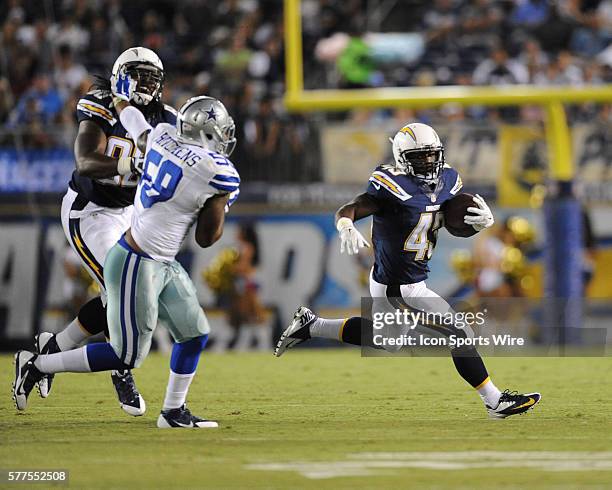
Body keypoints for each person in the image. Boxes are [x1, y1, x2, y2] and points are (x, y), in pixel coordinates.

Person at [13, 79, 239, 428]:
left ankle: (173, 412)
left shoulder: (161, 136)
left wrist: (121, 100)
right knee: (126, 353)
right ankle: (39, 363)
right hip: (136, 258)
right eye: (219, 132)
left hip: (157, 256)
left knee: (194, 333)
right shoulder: (212, 171)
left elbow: (134, 120)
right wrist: (220, 201)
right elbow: (208, 238)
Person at [275, 123, 541, 420]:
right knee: (459, 332)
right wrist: (345, 223)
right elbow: (354, 206)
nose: (428, 164)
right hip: (398, 285)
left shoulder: (448, 180)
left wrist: (479, 224)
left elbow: (452, 221)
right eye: (419, 157)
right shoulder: (390, 185)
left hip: (405, 281)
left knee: (388, 339)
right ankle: (495, 401)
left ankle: (310, 326)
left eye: (432, 156)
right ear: (402, 158)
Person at [32, 47, 177, 417]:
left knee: (131, 290)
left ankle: (50, 351)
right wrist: (135, 163)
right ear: (122, 76)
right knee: (124, 290)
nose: (147, 83)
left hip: (129, 212)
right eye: (140, 74)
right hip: (91, 211)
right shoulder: (100, 104)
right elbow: (86, 162)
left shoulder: (166, 118)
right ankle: (120, 368)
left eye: (152, 76)